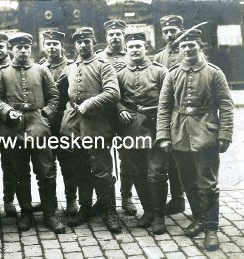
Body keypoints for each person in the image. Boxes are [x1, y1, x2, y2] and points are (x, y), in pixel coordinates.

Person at [156, 29, 234, 251]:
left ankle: (211, 229)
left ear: (200, 46)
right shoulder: (172, 74)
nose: (188, 49)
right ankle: (199, 218)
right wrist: (163, 135)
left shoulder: (214, 73)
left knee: (207, 184)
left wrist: (224, 134)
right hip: (179, 134)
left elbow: (226, 106)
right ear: (179, 49)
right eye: (184, 46)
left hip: (205, 134)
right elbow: (164, 107)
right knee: (187, 181)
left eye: (192, 45)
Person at [0, 32, 65, 233]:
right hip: (12, 131)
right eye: (18, 48)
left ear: (30, 49)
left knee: (46, 171)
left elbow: (54, 97)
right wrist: (8, 111)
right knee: (19, 173)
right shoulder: (2, 72)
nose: (22, 51)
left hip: (39, 128)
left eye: (26, 47)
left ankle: (49, 213)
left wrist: (44, 115)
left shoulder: (41, 70)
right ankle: (26, 212)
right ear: (11, 50)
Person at [57, 27, 122, 233]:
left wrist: (89, 104)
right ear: (74, 45)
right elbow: (58, 93)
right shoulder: (69, 68)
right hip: (73, 128)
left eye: (87, 41)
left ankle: (109, 212)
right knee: (80, 170)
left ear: (94, 42)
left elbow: (113, 93)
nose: (83, 45)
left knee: (102, 172)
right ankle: (85, 209)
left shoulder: (104, 66)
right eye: (79, 42)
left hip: (97, 127)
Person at [116, 32, 168, 234]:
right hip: (130, 129)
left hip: (155, 126)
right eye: (131, 47)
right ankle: (148, 210)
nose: (135, 50)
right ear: (126, 50)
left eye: (138, 46)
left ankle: (159, 215)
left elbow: (168, 101)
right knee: (136, 171)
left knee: (156, 172)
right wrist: (120, 109)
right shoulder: (120, 74)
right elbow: (115, 97)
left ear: (146, 47)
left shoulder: (159, 71)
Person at [96, 19, 137, 216]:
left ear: (123, 36)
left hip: (125, 116)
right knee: (101, 158)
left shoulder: (132, 55)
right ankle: (105, 199)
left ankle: (126, 195)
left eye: (118, 34)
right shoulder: (98, 58)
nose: (115, 37)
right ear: (106, 37)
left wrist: (122, 108)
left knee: (128, 157)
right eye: (111, 34)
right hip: (103, 115)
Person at [39, 30, 78, 216]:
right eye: (48, 44)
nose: (52, 47)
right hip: (46, 122)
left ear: (62, 46)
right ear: (43, 46)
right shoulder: (39, 68)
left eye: (55, 43)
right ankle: (50, 200)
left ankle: (71, 199)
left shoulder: (72, 67)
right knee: (47, 164)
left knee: (68, 162)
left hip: (66, 120)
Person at [154, 15, 186, 215]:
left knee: (184, 159)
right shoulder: (158, 57)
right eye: (165, 31)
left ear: (181, 30)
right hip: (167, 114)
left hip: (185, 114)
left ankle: (182, 198)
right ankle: (175, 199)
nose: (169, 35)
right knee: (168, 158)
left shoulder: (189, 52)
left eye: (172, 30)